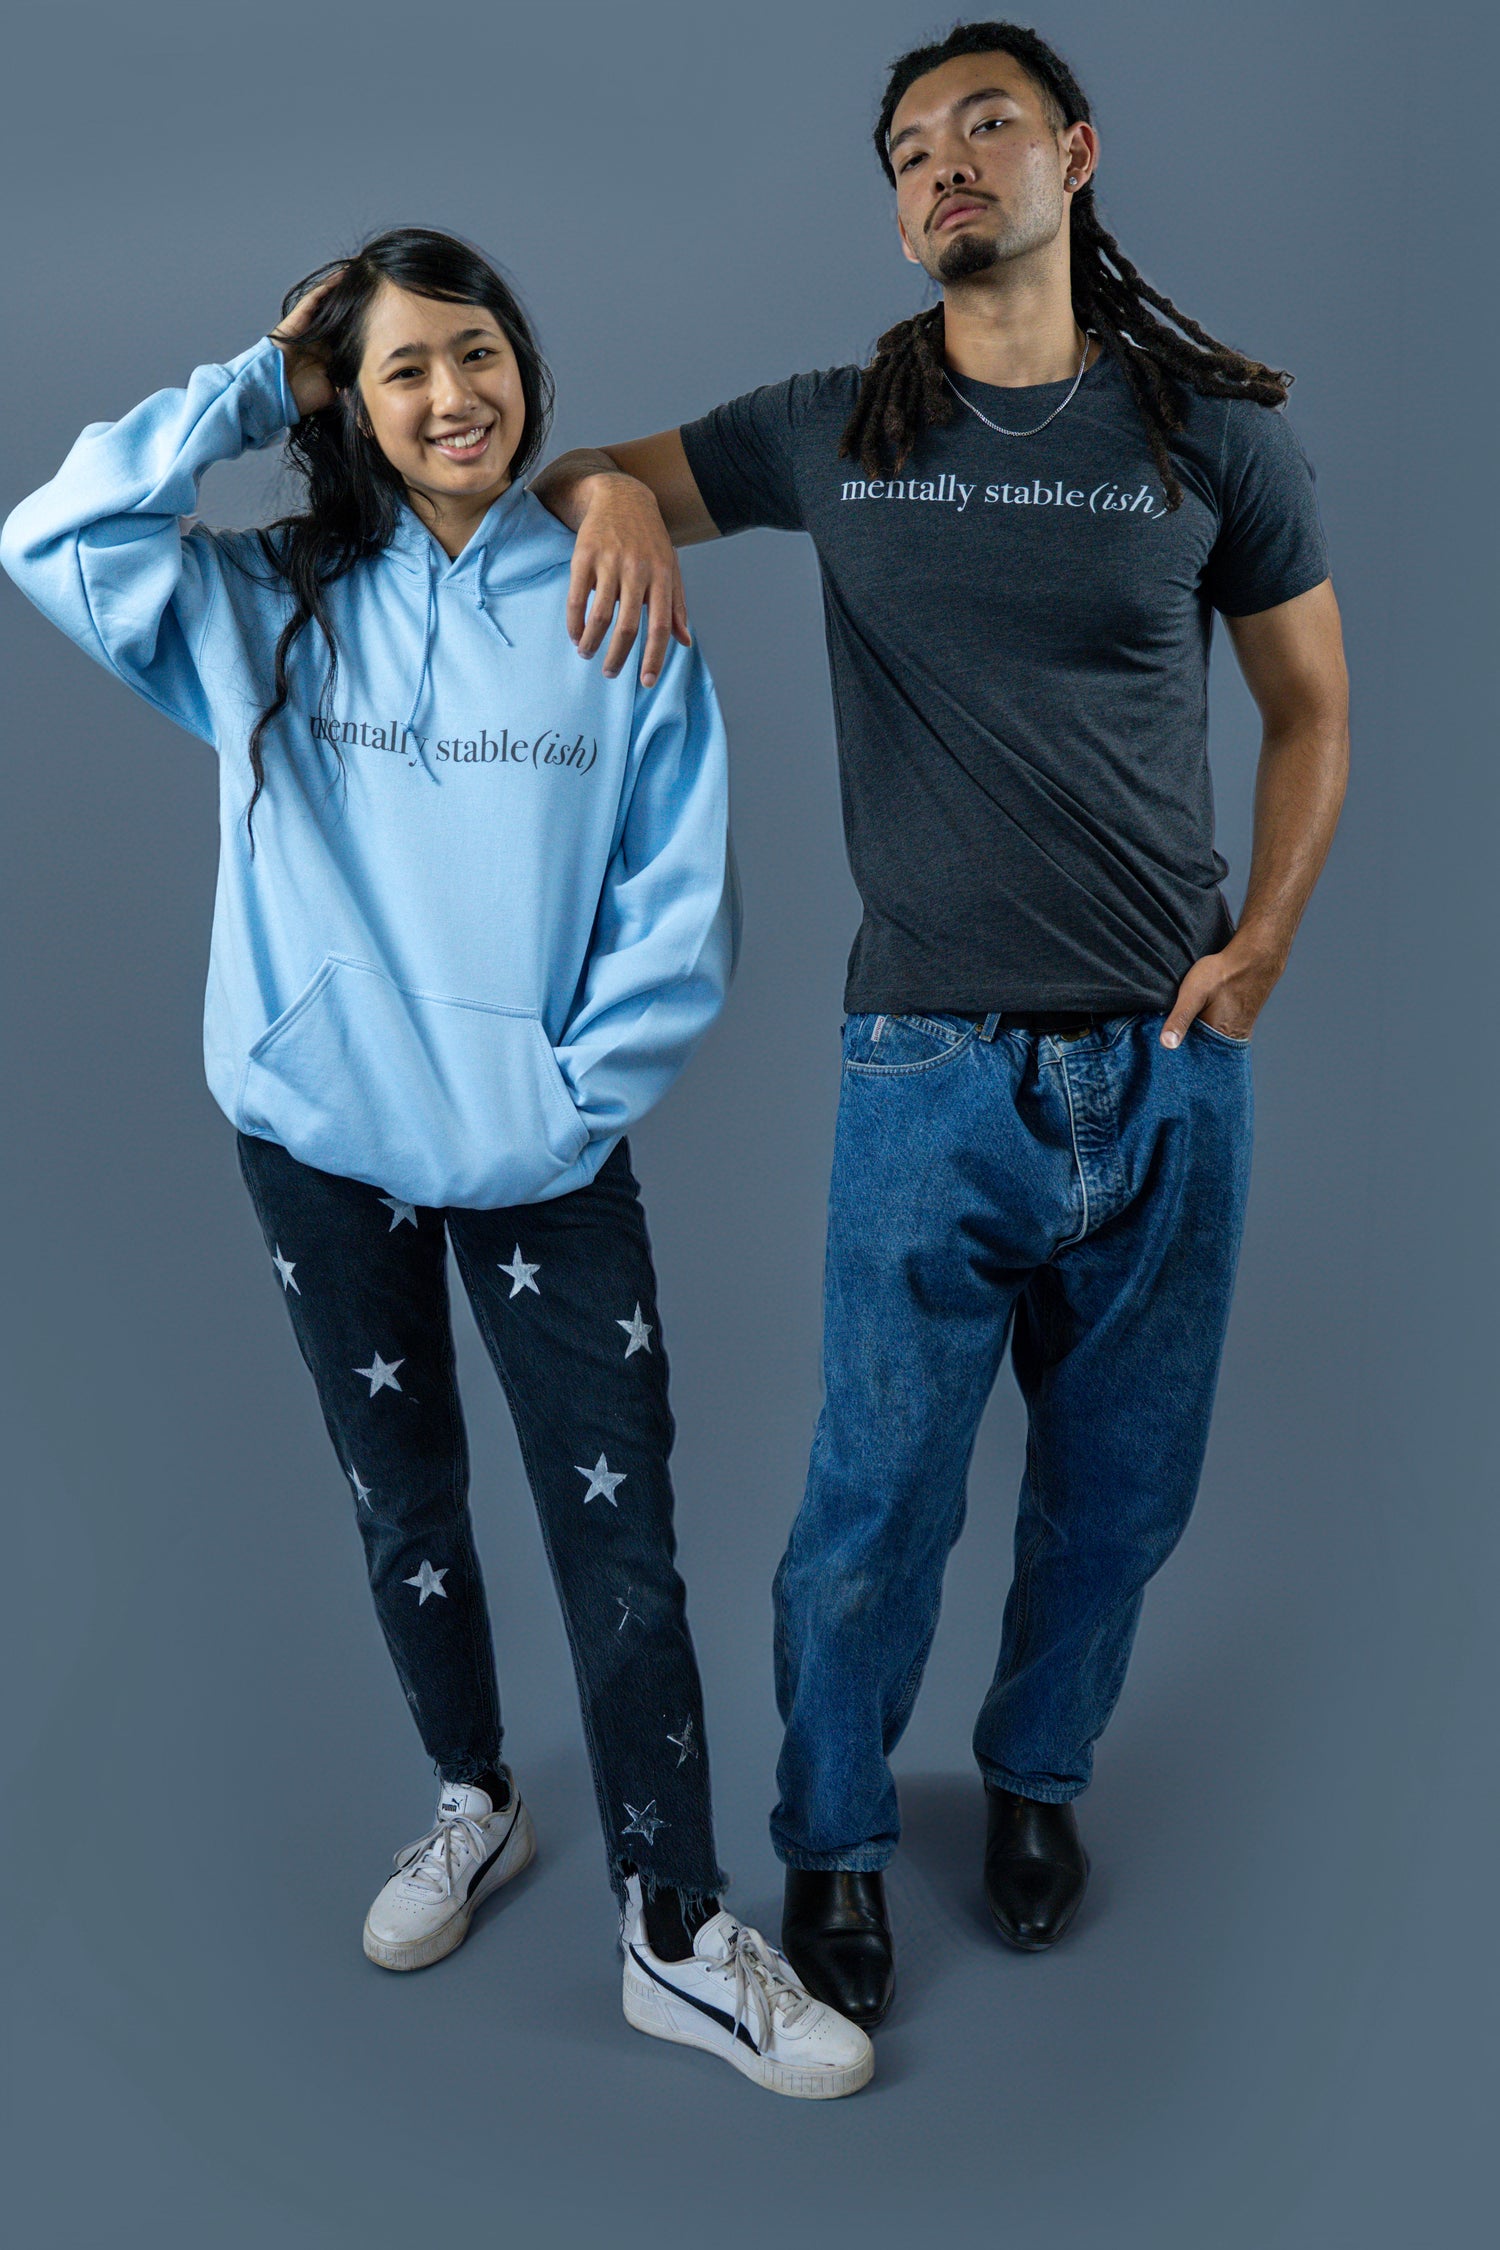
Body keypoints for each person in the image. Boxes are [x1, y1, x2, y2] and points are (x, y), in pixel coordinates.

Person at [531, 22, 1350, 2030]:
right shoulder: (840, 426)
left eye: (984, 124)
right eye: (909, 148)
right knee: (874, 1501)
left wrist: (1268, 946)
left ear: (1074, 150)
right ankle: (834, 1840)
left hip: (1168, 1069)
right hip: (927, 1071)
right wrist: (615, 502)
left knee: (1122, 1491)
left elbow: (1313, 705)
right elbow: (589, 470)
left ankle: (1037, 1781)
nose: (944, 164)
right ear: (895, 208)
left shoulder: (1209, 439)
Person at [1, 227, 871, 2100]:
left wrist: (561, 1104)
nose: (450, 395)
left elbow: (679, 896)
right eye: (398, 368)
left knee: (618, 1537)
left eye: (475, 354)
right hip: (320, 1143)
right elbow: (45, 542)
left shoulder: (608, 582)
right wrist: (250, 379)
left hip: (540, 1154)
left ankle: (672, 1927)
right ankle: (472, 1797)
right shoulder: (263, 602)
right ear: (351, 402)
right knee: (403, 1496)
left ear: (523, 370)